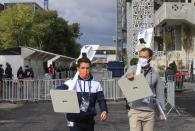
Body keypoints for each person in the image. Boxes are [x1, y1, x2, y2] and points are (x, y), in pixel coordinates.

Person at [56, 53, 108, 131]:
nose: (85, 70)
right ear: (78, 69)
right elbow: (58, 90)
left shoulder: (96, 84)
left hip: (89, 120)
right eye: (82, 68)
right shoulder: (71, 83)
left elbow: (101, 100)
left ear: (90, 69)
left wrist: (104, 111)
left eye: (87, 68)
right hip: (73, 120)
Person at [123, 48, 165, 131]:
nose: (141, 59)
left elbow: (160, 94)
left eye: (144, 57)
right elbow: (123, 80)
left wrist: (162, 111)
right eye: (140, 56)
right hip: (135, 110)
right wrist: (127, 77)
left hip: (149, 112)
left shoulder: (155, 74)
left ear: (150, 59)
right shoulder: (133, 69)